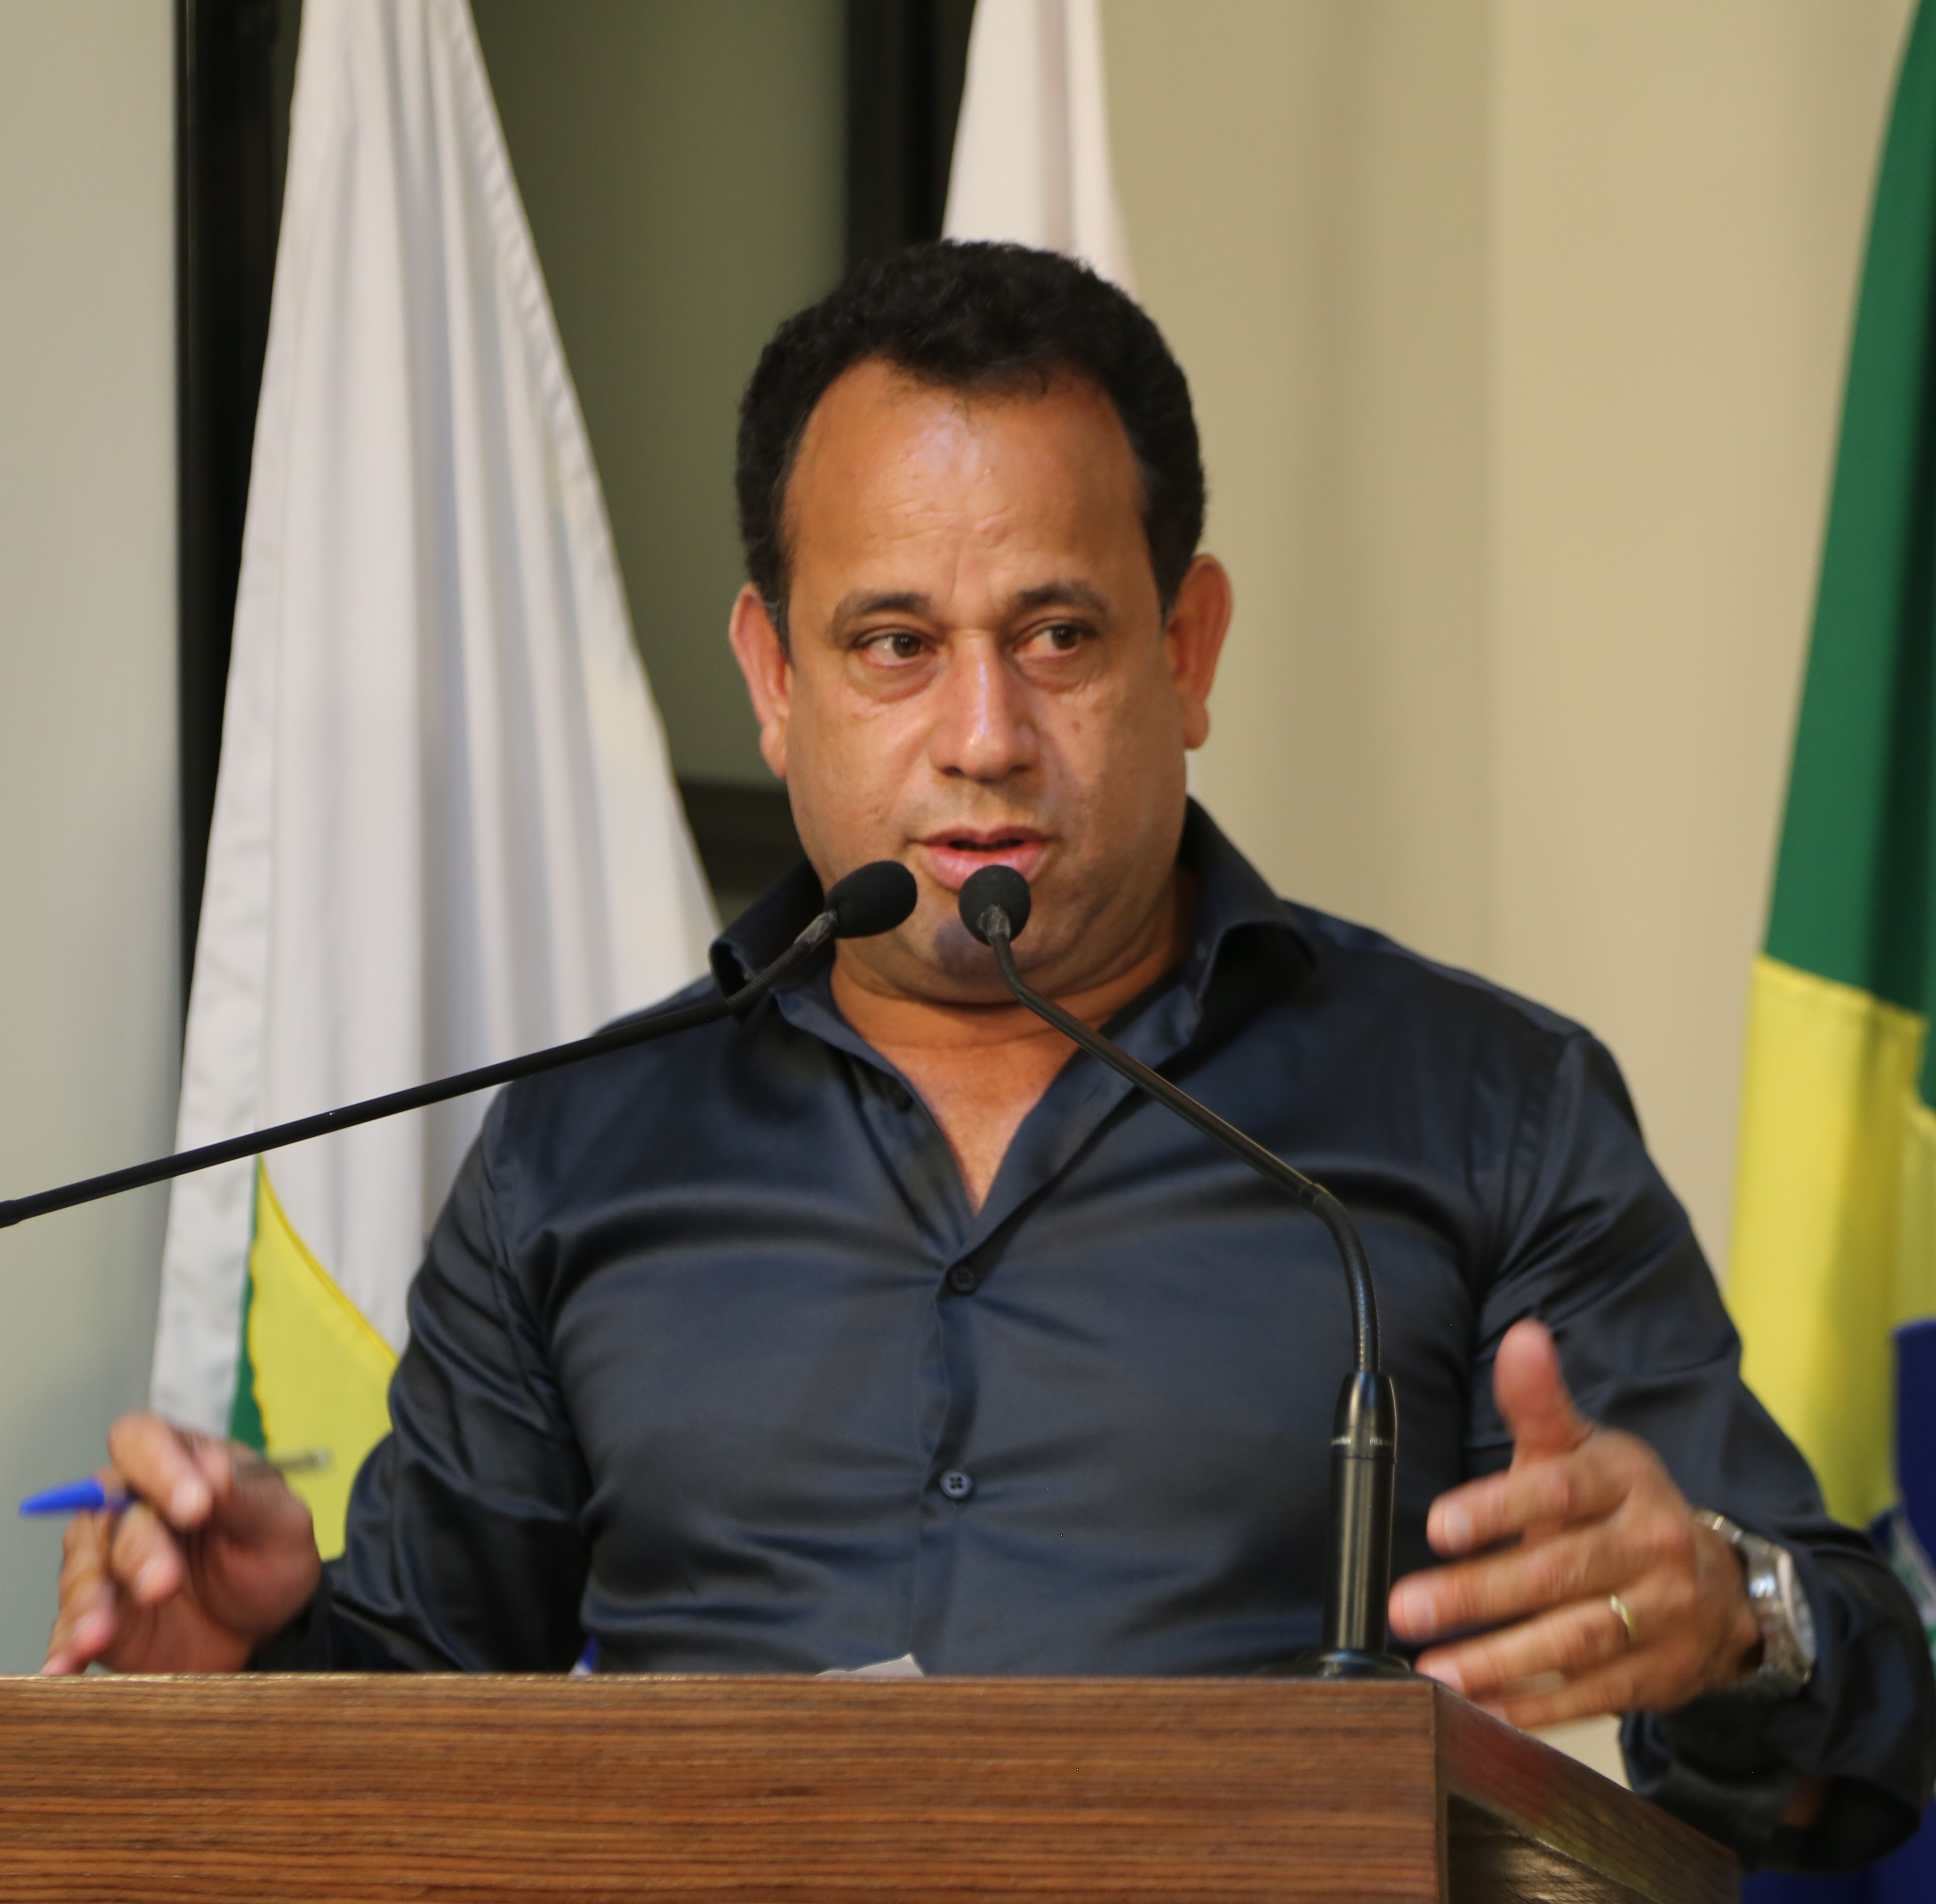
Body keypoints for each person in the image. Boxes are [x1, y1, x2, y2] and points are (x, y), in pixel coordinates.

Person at [45, 242, 1933, 1871]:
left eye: (1056, 633)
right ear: (772, 678)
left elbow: (1874, 1731)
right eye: (891, 643)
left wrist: (1731, 1617)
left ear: (1188, 648)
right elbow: (409, 1721)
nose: (981, 734)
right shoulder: (585, 1146)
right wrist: (245, 1664)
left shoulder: (1481, 1112)